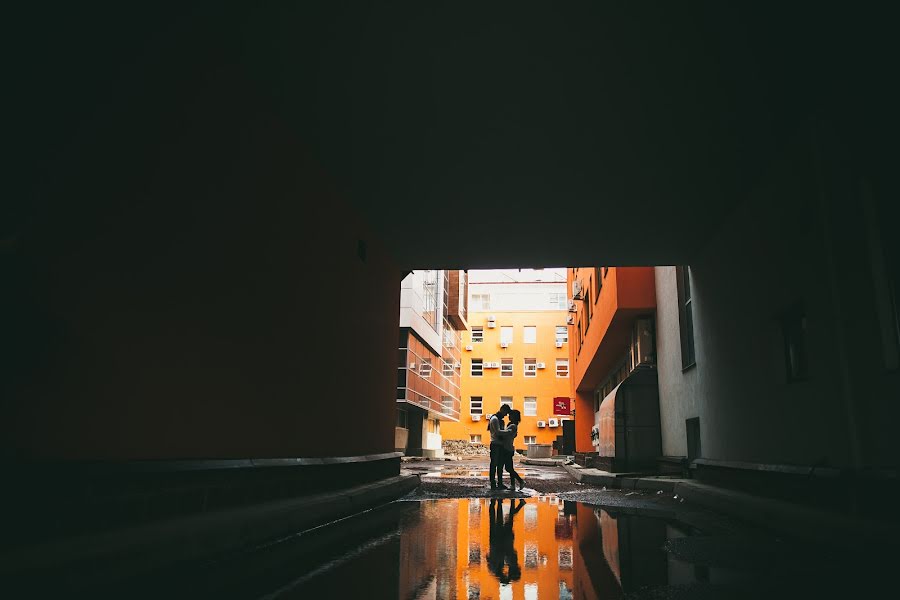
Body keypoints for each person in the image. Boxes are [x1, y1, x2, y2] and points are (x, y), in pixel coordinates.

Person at [487, 404, 513, 489]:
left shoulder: (499, 419)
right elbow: (498, 432)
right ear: (502, 410)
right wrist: (509, 431)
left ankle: (500, 483)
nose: (506, 415)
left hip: (500, 445)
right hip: (495, 444)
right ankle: (493, 482)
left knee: (500, 464)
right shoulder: (495, 419)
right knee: (494, 464)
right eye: (506, 412)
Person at [502, 409, 526, 491]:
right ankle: (513, 485)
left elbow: (505, 434)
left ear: (514, 417)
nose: (509, 416)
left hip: (507, 448)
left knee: (508, 468)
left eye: (510, 415)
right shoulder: (512, 425)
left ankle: (521, 481)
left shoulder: (513, 426)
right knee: (510, 468)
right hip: (508, 447)